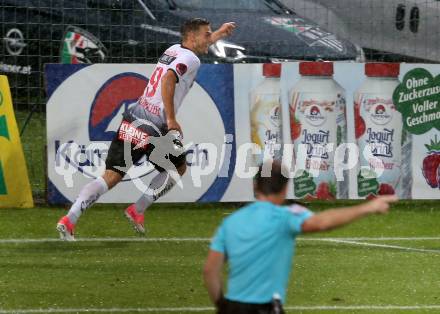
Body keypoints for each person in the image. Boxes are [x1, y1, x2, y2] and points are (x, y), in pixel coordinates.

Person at [56, 18, 236, 241]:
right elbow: (169, 79)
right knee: (178, 168)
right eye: (206, 34)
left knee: (110, 176)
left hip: (134, 117)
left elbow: (180, 62)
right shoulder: (191, 60)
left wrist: (219, 33)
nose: (210, 39)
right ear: (192, 36)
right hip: (154, 127)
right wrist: (171, 120)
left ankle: (69, 219)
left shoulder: (174, 49)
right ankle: (137, 210)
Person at [203, 161, 398, 314]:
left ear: (255, 185)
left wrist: (222, 305)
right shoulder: (285, 217)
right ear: (285, 189)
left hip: (232, 308)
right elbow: (323, 222)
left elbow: (210, 270)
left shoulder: (231, 222)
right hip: (265, 308)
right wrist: (368, 207)